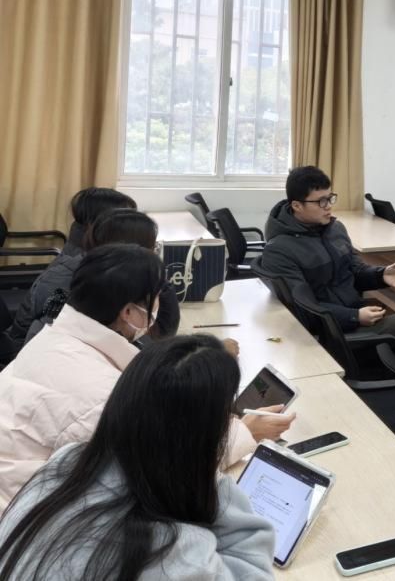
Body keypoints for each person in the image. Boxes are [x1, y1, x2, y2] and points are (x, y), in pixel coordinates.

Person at [0, 244, 292, 511]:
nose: (158, 306)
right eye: (155, 298)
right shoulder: (102, 396)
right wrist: (243, 433)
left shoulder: (54, 339)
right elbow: (162, 479)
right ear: (128, 311)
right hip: (27, 522)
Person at [0, 334, 274, 579]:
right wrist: (207, 478)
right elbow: (251, 569)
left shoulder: (68, 462)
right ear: (206, 436)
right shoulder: (172, 555)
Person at [253, 165, 395, 346]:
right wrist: (354, 317)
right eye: (321, 201)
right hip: (325, 330)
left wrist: (380, 275)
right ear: (297, 206)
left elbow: (354, 270)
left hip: (349, 311)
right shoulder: (279, 250)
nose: (329, 206)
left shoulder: (335, 229)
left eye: (330, 198)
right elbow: (302, 306)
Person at [19, 209, 182, 345]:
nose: (154, 254)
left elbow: (163, 334)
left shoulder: (115, 277)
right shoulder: (70, 287)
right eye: (152, 248)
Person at [9, 188, 135, 344]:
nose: (133, 225)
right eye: (127, 219)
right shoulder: (73, 273)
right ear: (101, 225)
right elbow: (44, 333)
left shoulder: (87, 253)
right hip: (31, 347)